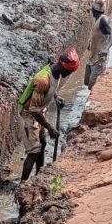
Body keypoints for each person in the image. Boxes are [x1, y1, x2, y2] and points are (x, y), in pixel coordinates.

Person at [17, 48, 81, 181]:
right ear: (63, 67)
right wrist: (50, 127)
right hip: (28, 115)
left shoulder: (55, 73)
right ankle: (23, 185)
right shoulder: (42, 80)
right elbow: (33, 110)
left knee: (43, 143)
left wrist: (56, 97)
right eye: (69, 72)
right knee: (34, 152)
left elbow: (50, 90)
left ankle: (38, 177)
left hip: (39, 111)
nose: (68, 75)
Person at [87, 0, 112, 88]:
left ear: (94, 10)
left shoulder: (102, 20)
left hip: (99, 59)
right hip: (93, 57)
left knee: (93, 84)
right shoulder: (98, 20)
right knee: (88, 81)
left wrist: (106, 49)